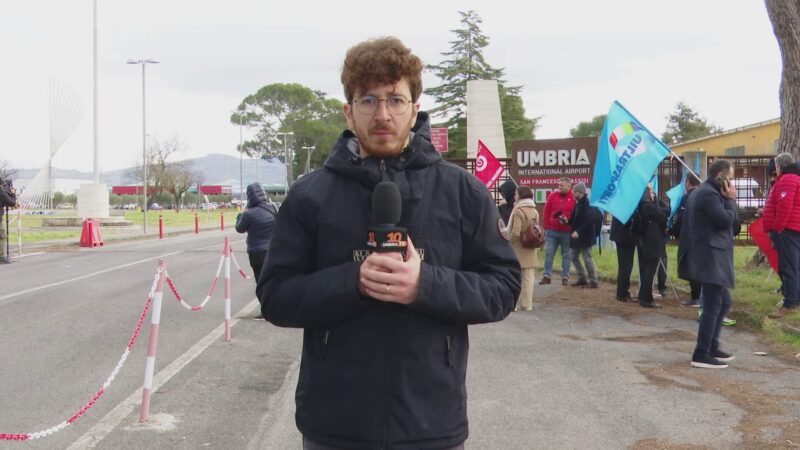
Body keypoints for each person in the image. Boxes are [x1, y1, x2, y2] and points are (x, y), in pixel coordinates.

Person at [257, 37, 521, 450]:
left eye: (395, 100)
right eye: (368, 100)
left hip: (431, 422)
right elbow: (275, 296)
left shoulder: (461, 192)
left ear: (415, 108)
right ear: (348, 110)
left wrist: (425, 284)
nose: (383, 114)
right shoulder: (309, 196)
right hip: (334, 425)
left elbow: (503, 287)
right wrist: (353, 283)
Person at [682, 159, 738, 369]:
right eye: (730, 178)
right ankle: (701, 352)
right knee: (713, 306)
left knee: (723, 303)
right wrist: (731, 200)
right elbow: (724, 221)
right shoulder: (708, 194)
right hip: (711, 256)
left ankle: (711, 345)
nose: (732, 183)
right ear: (720, 176)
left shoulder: (707, 192)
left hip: (711, 255)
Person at [763, 152, 800, 319]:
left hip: (788, 229)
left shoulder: (787, 179)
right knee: (795, 265)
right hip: (794, 226)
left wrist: (778, 227)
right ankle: (795, 299)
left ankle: (790, 302)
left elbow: (785, 204)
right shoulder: (795, 177)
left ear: (780, 166)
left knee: (788, 266)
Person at [634, 183, 669, 308]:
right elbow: (662, 214)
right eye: (651, 190)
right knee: (650, 270)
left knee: (648, 269)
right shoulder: (647, 205)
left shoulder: (644, 205)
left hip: (648, 240)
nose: (653, 193)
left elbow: (662, 212)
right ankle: (647, 299)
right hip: (652, 240)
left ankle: (644, 296)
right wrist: (659, 207)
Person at [235, 182, 277, 283]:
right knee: (274, 280)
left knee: (260, 281)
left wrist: (239, 216)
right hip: (273, 250)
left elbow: (239, 229)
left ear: (249, 197)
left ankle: (264, 298)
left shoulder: (248, 214)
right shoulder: (273, 207)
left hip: (257, 253)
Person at [508, 186, 539, 310]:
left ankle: (513, 304)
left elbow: (516, 232)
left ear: (521, 196)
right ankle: (527, 304)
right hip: (531, 246)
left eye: (516, 194)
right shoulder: (534, 210)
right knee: (529, 278)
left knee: (516, 277)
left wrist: (508, 242)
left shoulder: (518, 210)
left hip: (518, 247)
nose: (515, 196)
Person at [673, 174, 703, 307]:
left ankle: (696, 297)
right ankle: (700, 296)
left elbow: (681, 219)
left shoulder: (687, 198)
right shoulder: (704, 196)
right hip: (703, 238)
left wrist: (671, 231)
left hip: (690, 238)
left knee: (692, 266)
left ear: (688, 183)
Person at [540, 177, 576, 286]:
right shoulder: (552, 196)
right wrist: (547, 227)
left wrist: (569, 223)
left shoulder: (574, 198)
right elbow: (546, 211)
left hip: (567, 232)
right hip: (552, 231)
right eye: (559, 185)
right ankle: (547, 275)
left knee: (566, 255)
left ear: (569, 187)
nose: (559, 187)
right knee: (549, 253)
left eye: (562, 185)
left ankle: (565, 276)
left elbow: (576, 215)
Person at [568, 182, 598, 288]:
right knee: (573, 256)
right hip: (577, 236)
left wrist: (578, 231)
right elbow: (573, 219)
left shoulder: (587, 204)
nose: (573, 192)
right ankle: (581, 278)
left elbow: (589, 221)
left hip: (585, 236)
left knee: (587, 258)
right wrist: (565, 220)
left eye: (574, 191)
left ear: (580, 192)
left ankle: (593, 280)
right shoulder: (577, 203)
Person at [610, 216, 637, 302]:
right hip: (626, 238)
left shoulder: (619, 207)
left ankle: (621, 292)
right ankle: (623, 293)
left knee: (623, 266)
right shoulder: (627, 209)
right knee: (626, 267)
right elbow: (629, 223)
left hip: (620, 236)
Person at [0, 177, 18, 264]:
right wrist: (13, 194)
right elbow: (12, 203)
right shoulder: (1, 192)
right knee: (2, 237)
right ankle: (1, 257)